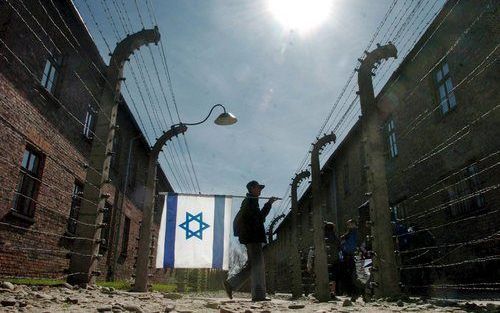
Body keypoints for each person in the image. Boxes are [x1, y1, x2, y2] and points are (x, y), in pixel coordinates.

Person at [224, 180, 278, 301]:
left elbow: (256, 218)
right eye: (258, 188)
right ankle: (259, 295)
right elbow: (259, 218)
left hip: (251, 238)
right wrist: (268, 204)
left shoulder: (251, 201)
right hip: (253, 238)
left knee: (253, 265)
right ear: (252, 188)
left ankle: (231, 284)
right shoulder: (251, 201)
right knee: (257, 266)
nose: (260, 190)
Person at [306, 221, 341, 299]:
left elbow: (313, 249)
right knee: (332, 277)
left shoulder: (321, 237)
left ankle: (319, 291)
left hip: (323, 259)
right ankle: (332, 292)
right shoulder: (336, 238)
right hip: (335, 260)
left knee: (320, 275)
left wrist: (310, 263)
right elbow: (339, 249)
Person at [337, 219, 362, 300]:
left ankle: (354, 292)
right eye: (348, 225)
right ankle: (353, 292)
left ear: (353, 224)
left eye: (349, 224)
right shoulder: (350, 233)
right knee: (352, 274)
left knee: (353, 274)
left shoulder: (353, 233)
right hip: (350, 255)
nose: (348, 226)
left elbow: (350, 245)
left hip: (351, 255)